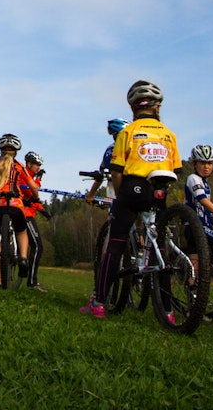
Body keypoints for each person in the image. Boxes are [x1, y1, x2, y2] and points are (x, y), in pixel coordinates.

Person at [82, 80, 181, 318]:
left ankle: (99, 303)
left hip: (132, 188)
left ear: (133, 109)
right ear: (158, 107)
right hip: (160, 190)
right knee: (162, 250)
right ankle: (168, 311)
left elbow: (116, 170)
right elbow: (175, 169)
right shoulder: (169, 134)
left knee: (115, 246)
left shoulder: (127, 132)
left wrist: (120, 197)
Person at [0, 133, 39, 286]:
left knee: (0, 241)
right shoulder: (19, 166)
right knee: (21, 231)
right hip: (16, 204)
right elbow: (33, 186)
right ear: (16, 151)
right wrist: (36, 198)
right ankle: (23, 258)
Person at [21, 151, 49, 291]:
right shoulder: (24, 175)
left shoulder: (31, 176)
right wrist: (37, 179)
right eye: (36, 164)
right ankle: (32, 282)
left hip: (28, 212)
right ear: (29, 164)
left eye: (39, 165)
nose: (38, 167)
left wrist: (42, 210)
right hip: (24, 214)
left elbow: (34, 200)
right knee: (37, 246)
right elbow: (32, 193)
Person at [85, 118, 128, 206]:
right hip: (115, 191)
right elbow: (101, 174)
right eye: (114, 135)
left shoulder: (130, 148)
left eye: (116, 135)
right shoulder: (110, 149)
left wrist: (91, 195)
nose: (115, 138)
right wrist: (91, 195)